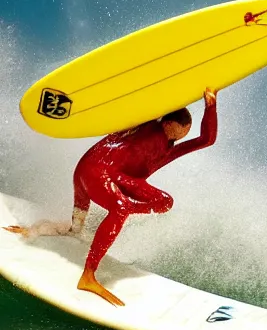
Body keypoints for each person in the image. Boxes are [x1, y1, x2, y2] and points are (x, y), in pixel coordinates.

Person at [4, 88, 218, 308]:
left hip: (101, 175)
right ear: (168, 123)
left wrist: (211, 104)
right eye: (184, 127)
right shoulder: (147, 126)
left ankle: (57, 230)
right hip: (96, 171)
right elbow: (139, 105)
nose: (185, 132)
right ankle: (88, 276)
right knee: (121, 209)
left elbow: (207, 139)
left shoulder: (168, 150)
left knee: (164, 203)